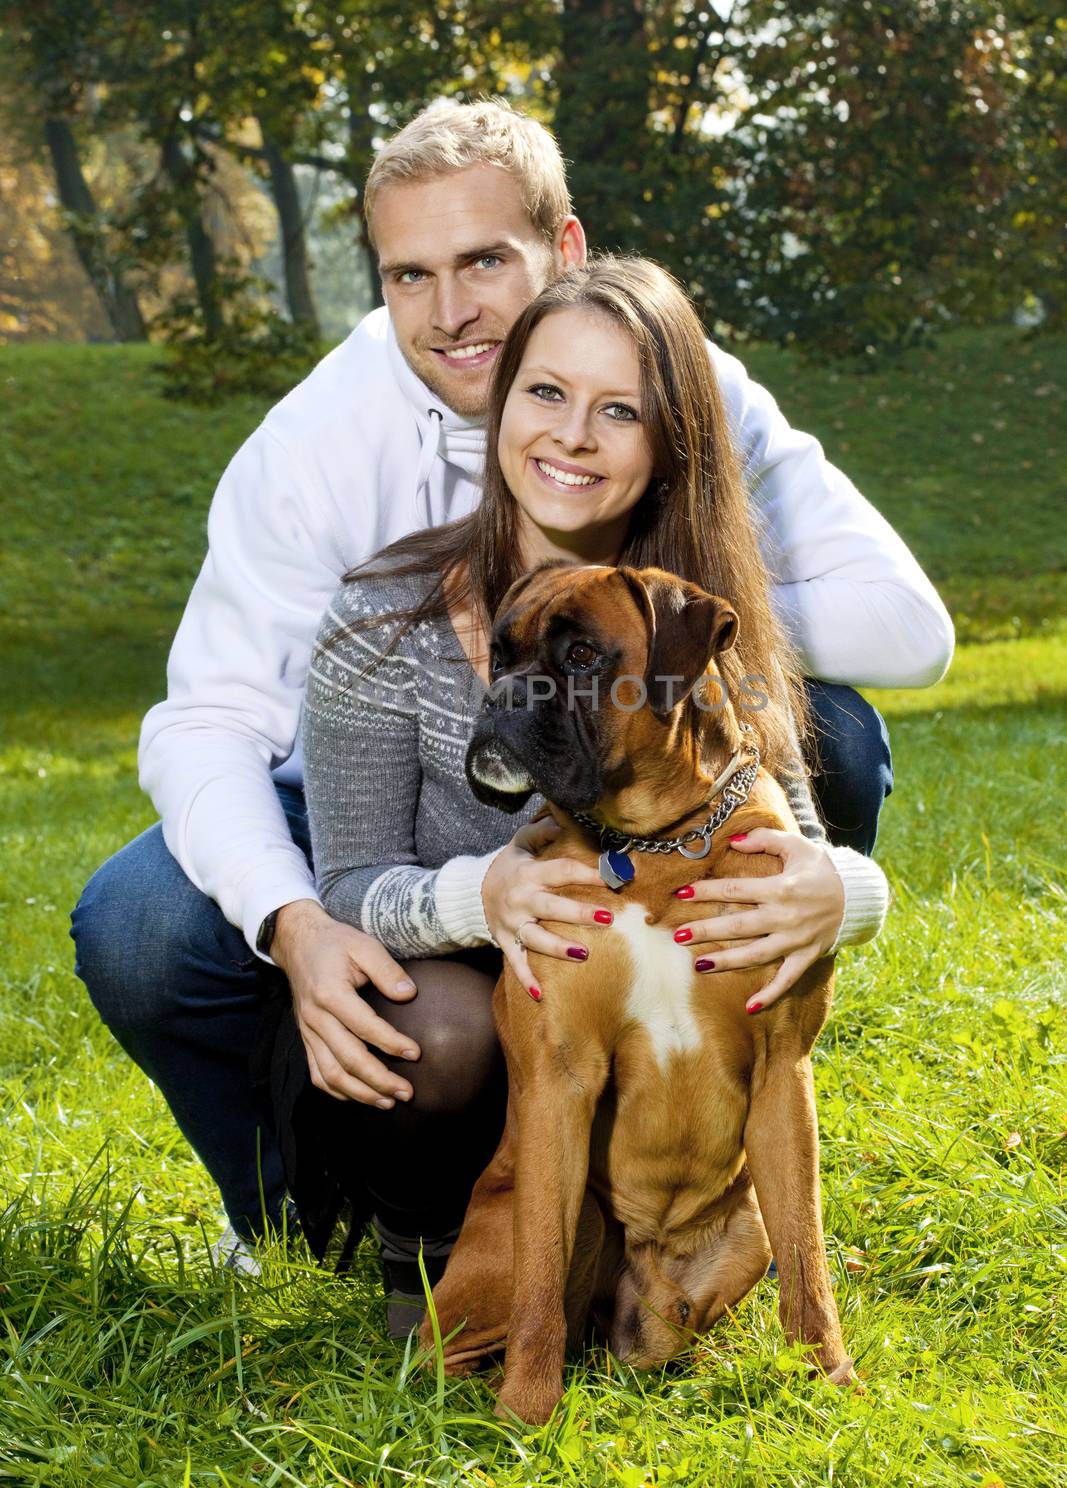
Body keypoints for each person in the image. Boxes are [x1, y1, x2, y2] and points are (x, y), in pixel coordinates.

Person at [70, 99, 952, 1261]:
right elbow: (209, 721)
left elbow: (908, 626)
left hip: (637, 772)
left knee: (833, 724)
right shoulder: (314, 447)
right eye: (408, 275)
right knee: (142, 926)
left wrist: (648, 621)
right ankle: (300, 1212)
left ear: (566, 253)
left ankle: (688, 1103)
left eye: (486, 261)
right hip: (374, 783)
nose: (450, 314)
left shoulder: (674, 371)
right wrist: (295, 922)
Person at [294, 256, 892, 1330]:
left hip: (631, 1009)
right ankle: (402, 1238)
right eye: (546, 393)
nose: (572, 435)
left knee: (844, 728)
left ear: (666, 444)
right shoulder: (383, 614)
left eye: (618, 409)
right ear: (497, 401)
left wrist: (846, 889)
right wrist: (477, 895)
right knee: (435, 1022)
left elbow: (794, 837)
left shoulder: (695, 621)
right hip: (446, 999)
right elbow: (342, 876)